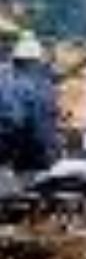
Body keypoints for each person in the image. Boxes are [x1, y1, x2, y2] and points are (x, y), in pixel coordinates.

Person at [0, 32, 59, 174]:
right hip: (39, 156)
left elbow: (15, 122)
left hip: (26, 156)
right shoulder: (44, 85)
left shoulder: (12, 82)